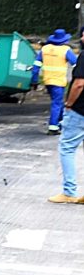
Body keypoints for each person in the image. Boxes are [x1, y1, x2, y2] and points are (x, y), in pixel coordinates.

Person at [50, 27, 84, 203]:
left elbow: (79, 84)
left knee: (67, 148)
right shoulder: (67, 51)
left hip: (79, 109)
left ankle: (69, 192)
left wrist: (69, 104)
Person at [30, 28, 78, 134]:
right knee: (57, 103)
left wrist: (34, 80)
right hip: (59, 81)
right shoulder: (65, 50)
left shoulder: (45, 49)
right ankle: (53, 127)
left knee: (58, 102)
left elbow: (36, 66)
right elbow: (76, 65)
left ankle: (60, 122)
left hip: (47, 81)